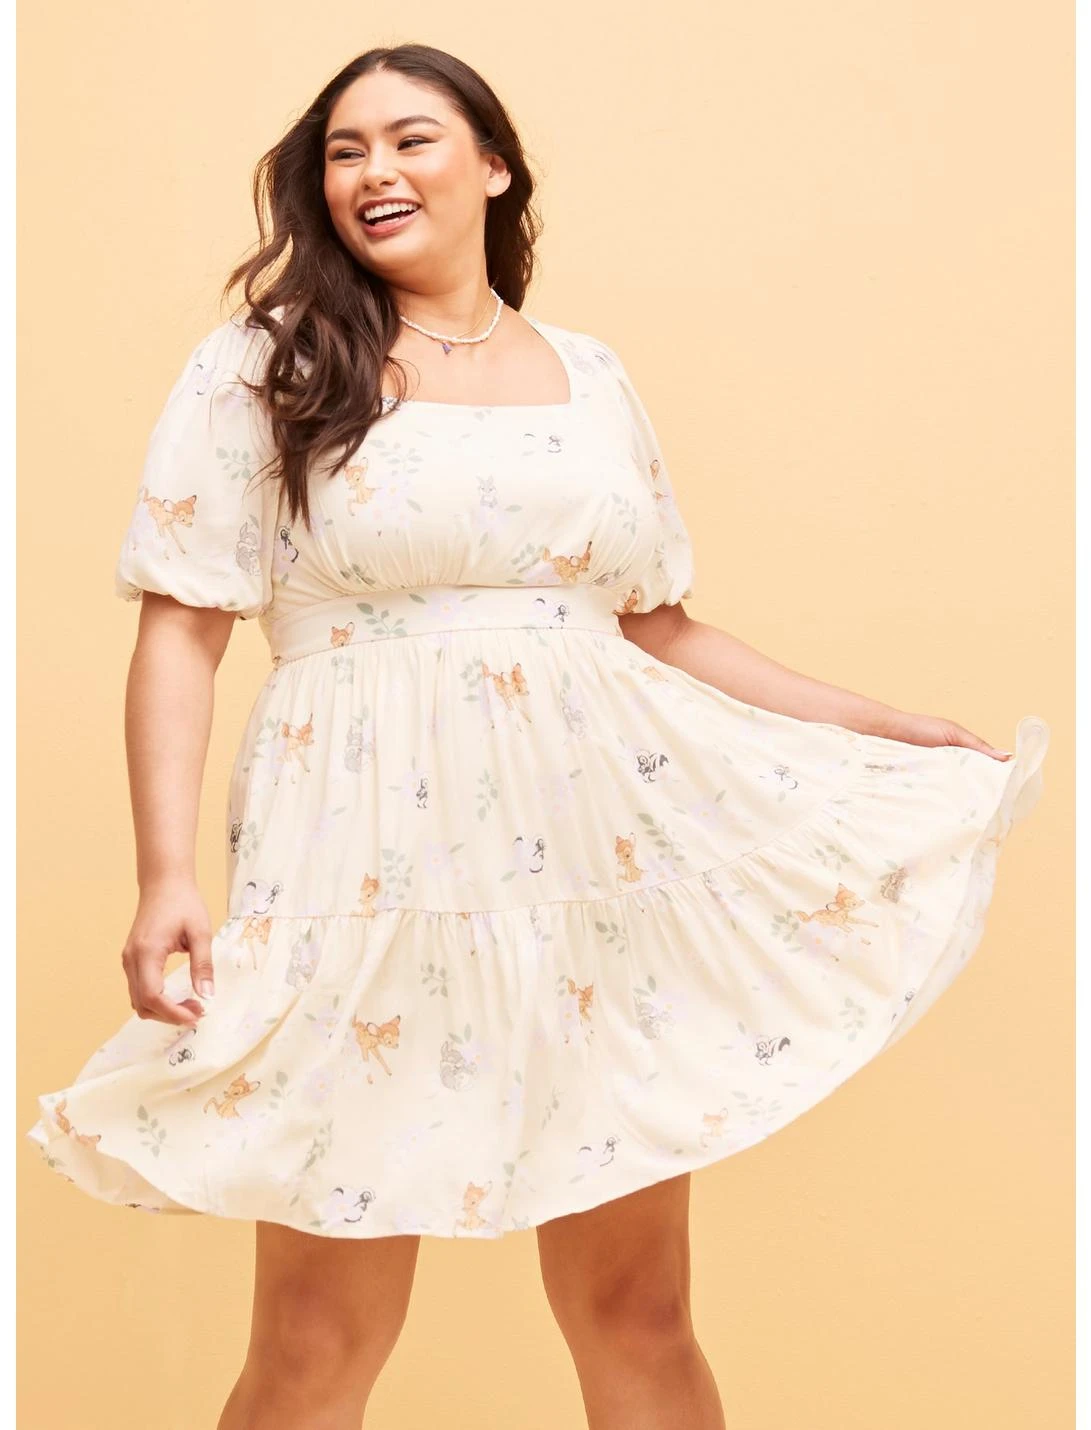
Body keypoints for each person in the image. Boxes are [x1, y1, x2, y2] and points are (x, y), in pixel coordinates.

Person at [26, 42, 1050, 1430]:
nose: (374, 171)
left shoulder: (589, 374)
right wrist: (165, 877)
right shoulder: (270, 364)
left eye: (411, 139)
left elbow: (657, 626)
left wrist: (880, 723)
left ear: (494, 166)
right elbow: (182, 628)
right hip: (359, 866)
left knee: (636, 1309)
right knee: (318, 1335)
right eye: (344, 151)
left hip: (591, 868)